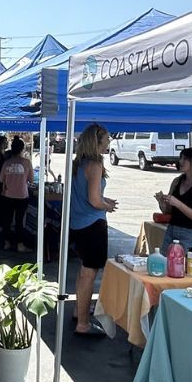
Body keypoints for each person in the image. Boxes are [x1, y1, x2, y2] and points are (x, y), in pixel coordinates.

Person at [69, 124, 116, 336]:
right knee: (89, 274)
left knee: (83, 271)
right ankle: (83, 323)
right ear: (97, 141)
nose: (109, 142)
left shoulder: (79, 163)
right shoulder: (95, 164)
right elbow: (94, 199)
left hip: (77, 223)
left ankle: (79, 312)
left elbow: (87, 194)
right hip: (92, 225)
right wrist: (107, 205)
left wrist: (104, 200)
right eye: (106, 139)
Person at [157, 147, 192, 253]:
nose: (180, 162)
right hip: (172, 230)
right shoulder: (177, 181)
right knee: (165, 264)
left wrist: (178, 204)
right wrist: (162, 203)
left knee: (187, 266)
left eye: (184, 159)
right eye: (180, 158)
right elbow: (169, 211)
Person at [0, 136, 33, 251]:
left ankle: (6, 243)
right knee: (19, 221)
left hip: (8, 195)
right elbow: (31, 180)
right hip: (22, 195)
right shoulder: (27, 162)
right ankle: (20, 245)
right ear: (22, 149)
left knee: (7, 220)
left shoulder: (7, 162)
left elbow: (1, 179)